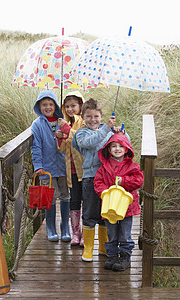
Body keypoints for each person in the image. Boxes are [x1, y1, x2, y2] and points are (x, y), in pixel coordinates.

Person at [72, 98, 124, 261]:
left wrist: (118, 132)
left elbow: (122, 143)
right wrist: (105, 130)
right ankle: (88, 248)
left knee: (105, 213)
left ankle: (103, 247)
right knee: (89, 212)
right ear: (82, 117)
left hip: (109, 178)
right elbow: (88, 143)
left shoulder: (108, 131)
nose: (92, 120)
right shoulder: (82, 132)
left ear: (101, 116)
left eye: (96, 116)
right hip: (91, 178)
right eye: (88, 116)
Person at [94, 133, 144, 271]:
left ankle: (125, 256)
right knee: (111, 233)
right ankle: (112, 255)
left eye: (121, 146)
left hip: (126, 208)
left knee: (125, 233)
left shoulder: (132, 166)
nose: (117, 149)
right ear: (109, 150)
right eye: (114, 146)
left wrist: (124, 181)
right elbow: (98, 182)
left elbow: (138, 181)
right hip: (109, 207)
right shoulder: (104, 167)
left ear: (126, 148)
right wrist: (106, 192)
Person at [31, 90, 71, 242]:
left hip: (64, 166)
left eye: (50, 104)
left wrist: (64, 129)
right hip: (47, 169)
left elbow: (73, 138)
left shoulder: (63, 122)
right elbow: (36, 147)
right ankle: (50, 227)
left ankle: (65, 226)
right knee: (50, 197)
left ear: (55, 106)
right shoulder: (37, 124)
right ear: (39, 107)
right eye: (44, 105)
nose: (47, 107)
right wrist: (38, 166)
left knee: (66, 195)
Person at [56, 91, 85, 246]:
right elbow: (64, 149)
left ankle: (86, 235)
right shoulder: (67, 122)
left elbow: (80, 139)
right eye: (67, 106)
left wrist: (66, 129)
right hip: (71, 170)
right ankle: (76, 233)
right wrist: (60, 138)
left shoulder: (83, 121)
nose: (69, 109)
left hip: (84, 170)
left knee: (85, 201)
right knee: (74, 201)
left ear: (81, 106)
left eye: (73, 106)